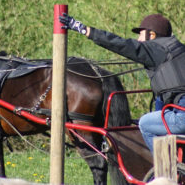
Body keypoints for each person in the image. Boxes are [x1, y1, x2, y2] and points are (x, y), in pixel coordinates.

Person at [59, 13, 185, 152]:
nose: (138, 39)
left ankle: (165, 168)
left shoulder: (156, 49)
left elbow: (120, 44)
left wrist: (84, 29)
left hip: (182, 116)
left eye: (141, 35)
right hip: (178, 108)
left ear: (152, 35)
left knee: (145, 124)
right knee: (156, 109)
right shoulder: (177, 51)